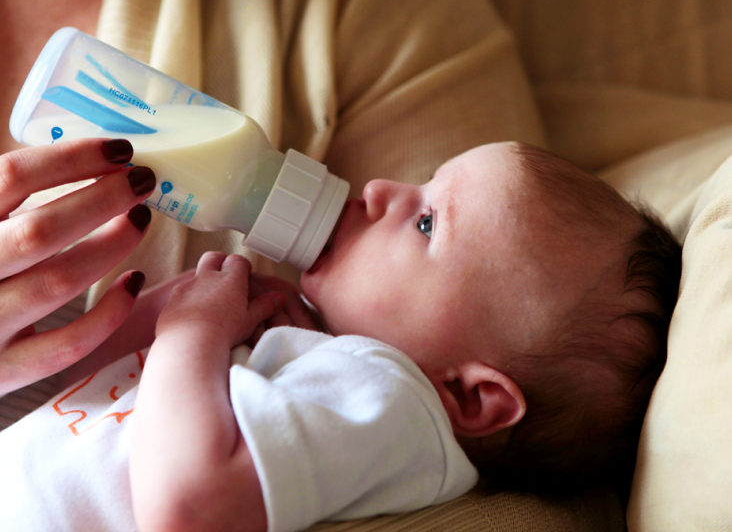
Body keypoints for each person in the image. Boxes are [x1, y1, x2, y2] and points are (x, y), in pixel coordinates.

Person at [0, 140, 682, 532]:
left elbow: (186, 509)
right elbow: (107, 394)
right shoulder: (324, 357)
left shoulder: (392, 400)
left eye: (426, 223)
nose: (382, 188)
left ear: (470, 397)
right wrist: (175, 312)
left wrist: (193, 331)